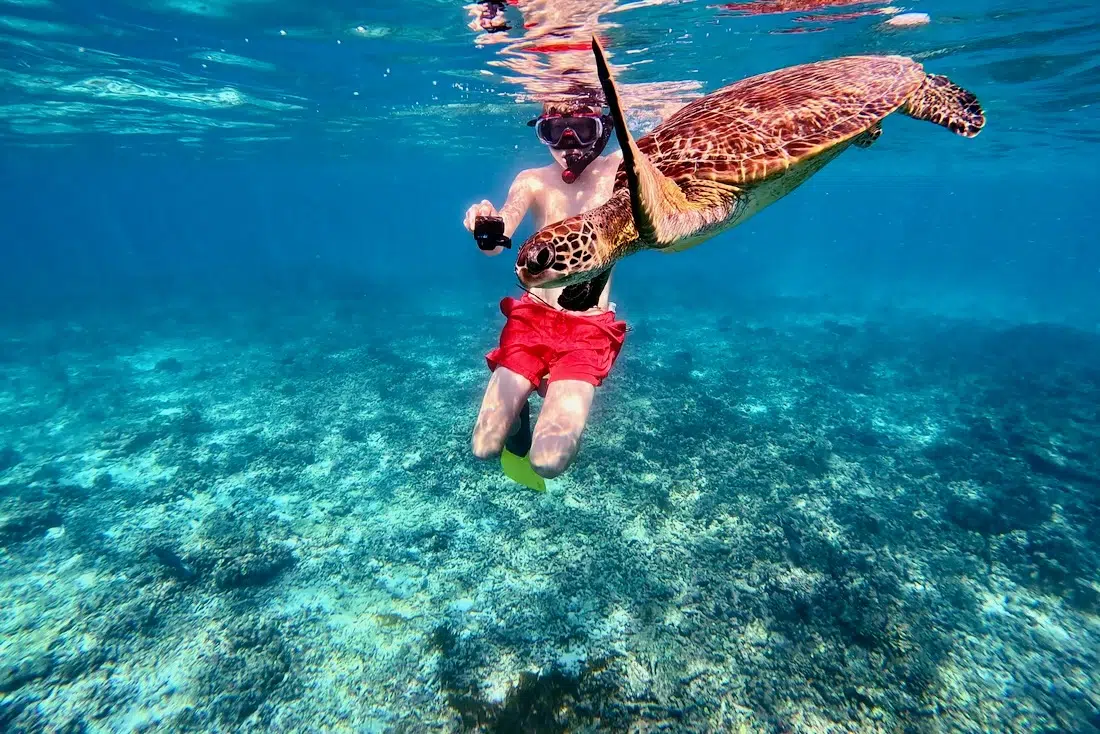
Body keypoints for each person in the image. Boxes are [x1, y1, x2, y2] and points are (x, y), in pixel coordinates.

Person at [463, 99, 626, 490]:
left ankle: (541, 398)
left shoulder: (621, 169)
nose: (568, 142)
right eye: (554, 131)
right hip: (533, 319)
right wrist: (483, 228)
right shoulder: (533, 180)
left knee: (549, 462)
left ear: (603, 126)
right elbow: (499, 239)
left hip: (587, 330)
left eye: (582, 129)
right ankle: (518, 419)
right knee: (483, 447)